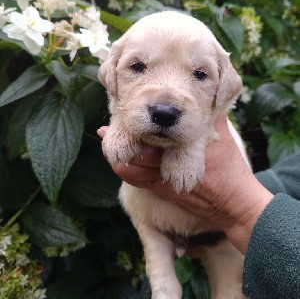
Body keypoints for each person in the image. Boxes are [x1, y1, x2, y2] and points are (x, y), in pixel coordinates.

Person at [98, 114, 300, 299]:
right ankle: (162, 282)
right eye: (138, 70)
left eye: (200, 73)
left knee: (231, 291)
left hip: (225, 235)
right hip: (158, 225)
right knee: (163, 288)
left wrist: (243, 207)